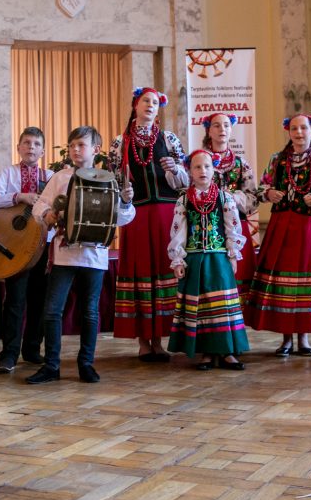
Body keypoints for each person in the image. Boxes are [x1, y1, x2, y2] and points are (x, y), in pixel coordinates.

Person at [26, 126, 135, 384]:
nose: (75, 150)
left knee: (90, 312)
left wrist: (127, 201)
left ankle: (86, 363)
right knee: (52, 311)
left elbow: (123, 217)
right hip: (64, 255)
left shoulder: (108, 178)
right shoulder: (60, 177)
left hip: (94, 256)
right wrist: (46, 215)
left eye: (81, 145)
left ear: (96, 149)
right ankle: (51, 365)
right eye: (72, 145)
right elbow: (40, 205)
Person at [109, 87, 189, 362]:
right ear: (135, 104)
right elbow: (113, 181)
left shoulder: (169, 138)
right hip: (136, 214)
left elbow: (186, 182)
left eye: (155, 102)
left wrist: (175, 170)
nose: (151, 105)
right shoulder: (120, 142)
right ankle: (144, 341)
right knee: (141, 270)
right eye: (146, 101)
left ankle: (160, 340)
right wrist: (123, 196)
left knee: (162, 268)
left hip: (167, 215)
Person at [245, 113, 311, 356]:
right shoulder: (277, 160)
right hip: (280, 224)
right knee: (282, 280)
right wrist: (269, 193)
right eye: (294, 128)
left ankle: (303, 338)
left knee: (303, 280)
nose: (299, 132)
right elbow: (260, 187)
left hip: (306, 226)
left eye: (303, 128)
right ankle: (285, 338)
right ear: (289, 132)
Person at [168, 149, 249, 370]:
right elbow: (178, 232)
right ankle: (205, 352)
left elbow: (233, 227)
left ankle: (226, 351)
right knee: (201, 306)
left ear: (214, 170)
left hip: (218, 258)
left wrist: (233, 254)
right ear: (189, 171)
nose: (202, 171)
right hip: (194, 260)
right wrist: (178, 259)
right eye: (197, 167)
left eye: (207, 166)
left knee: (221, 305)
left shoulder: (224, 197)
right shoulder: (184, 200)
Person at [0, 126, 52, 373]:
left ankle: (33, 348)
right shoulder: (8, 173)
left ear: (43, 150)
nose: (31, 148)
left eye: (36, 144)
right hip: (14, 246)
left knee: (40, 299)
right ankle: (9, 354)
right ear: (18, 147)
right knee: (14, 300)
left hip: (43, 246)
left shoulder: (50, 176)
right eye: (26, 143)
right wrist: (19, 197)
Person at [202, 113, 259, 301]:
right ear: (209, 130)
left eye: (226, 125)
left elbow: (253, 200)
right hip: (208, 229)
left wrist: (234, 198)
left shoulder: (241, 163)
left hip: (237, 229)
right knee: (213, 282)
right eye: (217, 126)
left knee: (238, 282)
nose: (222, 130)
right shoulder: (200, 162)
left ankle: (237, 328)